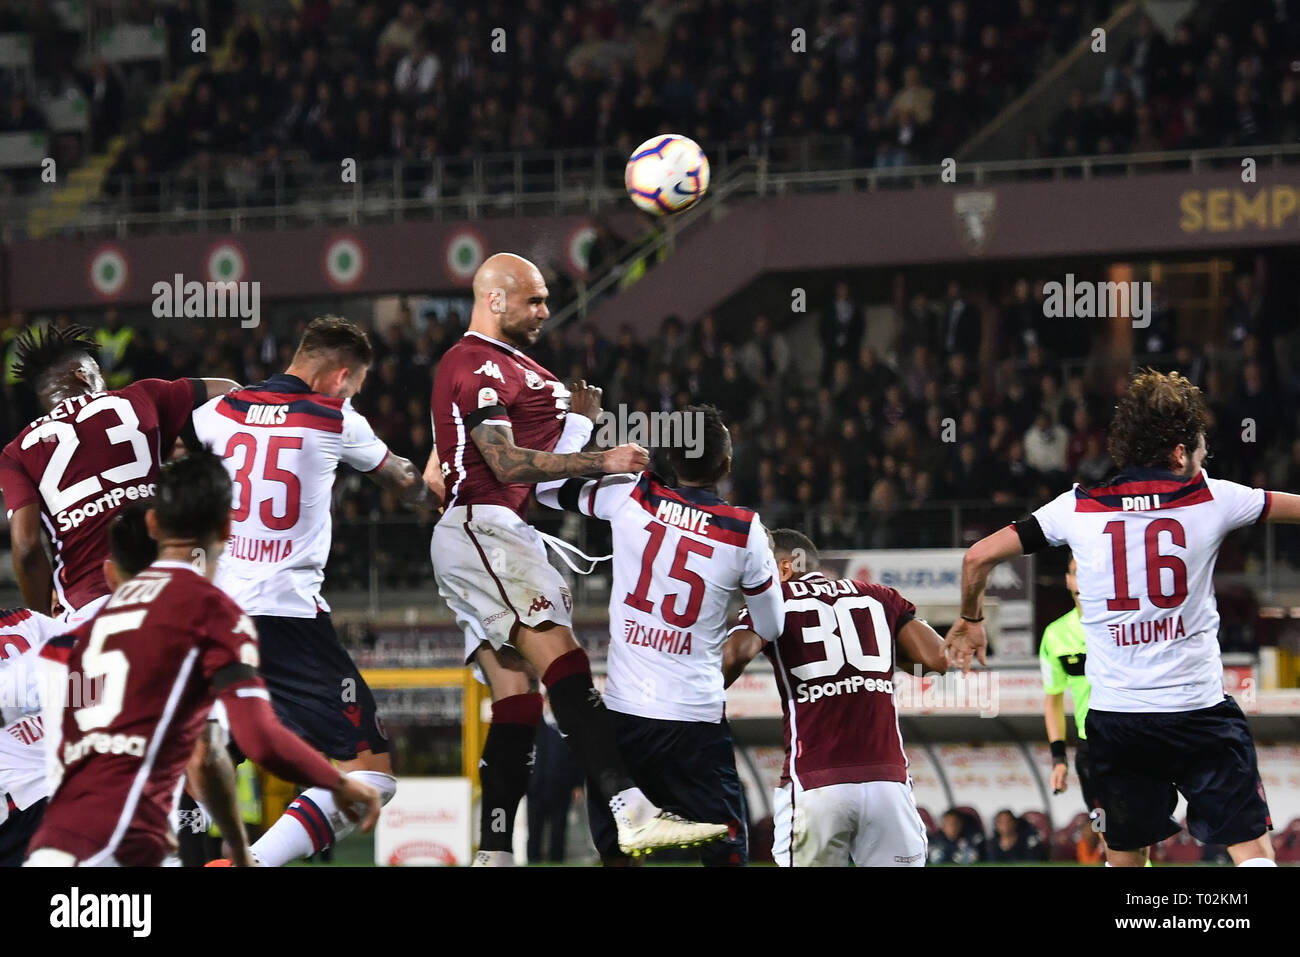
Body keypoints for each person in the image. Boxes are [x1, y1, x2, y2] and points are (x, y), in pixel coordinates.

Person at [430, 251, 727, 865]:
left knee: (517, 698)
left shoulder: (523, 370)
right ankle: (632, 810)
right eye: (534, 299)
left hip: (493, 530)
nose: (545, 310)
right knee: (566, 665)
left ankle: (493, 852)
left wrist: (577, 425)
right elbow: (505, 464)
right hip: (486, 530)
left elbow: (500, 475)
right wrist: (602, 459)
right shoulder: (474, 362)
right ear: (495, 300)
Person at [948, 369, 1300, 867]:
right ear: (1180, 452)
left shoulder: (1076, 507)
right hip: (1199, 714)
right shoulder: (1213, 497)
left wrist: (971, 618)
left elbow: (976, 558)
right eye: (1201, 452)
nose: (1205, 461)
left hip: (1117, 724)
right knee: (1252, 851)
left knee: (1126, 859)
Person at [24, 447, 380, 866]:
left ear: (153, 524)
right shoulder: (214, 616)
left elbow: (206, 752)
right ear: (229, 530)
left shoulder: (92, 620)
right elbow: (259, 739)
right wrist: (335, 783)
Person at [192, 316, 429, 867]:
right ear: (341, 376)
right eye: (356, 385)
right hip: (284, 620)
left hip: (212, 615)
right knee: (371, 772)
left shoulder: (220, 412)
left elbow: (172, 468)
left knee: (199, 755)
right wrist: (431, 486)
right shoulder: (334, 416)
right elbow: (405, 483)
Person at [536, 404, 785, 866]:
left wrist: (578, 424)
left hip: (626, 718)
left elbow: (546, 486)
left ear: (668, 460)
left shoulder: (629, 494)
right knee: (726, 854)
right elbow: (772, 626)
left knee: (620, 854)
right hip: (695, 722)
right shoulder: (744, 530)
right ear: (726, 467)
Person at [723, 529, 948, 867]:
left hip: (816, 781)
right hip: (888, 783)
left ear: (782, 568)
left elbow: (735, 656)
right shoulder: (879, 595)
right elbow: (936, 661)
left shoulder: (776, 599)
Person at [0, 325, 237, 626]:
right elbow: (231, 390)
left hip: (88, 607)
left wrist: (44, 623)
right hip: (170, 588)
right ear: (83, 375)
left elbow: (26, 548)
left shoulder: (17, 450)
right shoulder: (141, 396)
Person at [1039, 553, 1104, 842]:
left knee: (1140, 832)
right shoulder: (1055, 636)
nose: (1082, 579)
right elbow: (1053, 700)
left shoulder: (1125, 624)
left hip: (1135, 739)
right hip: (1091, 750)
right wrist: (1058, 759)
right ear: (1068, 580)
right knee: (1105, 830)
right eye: (1076, 572)